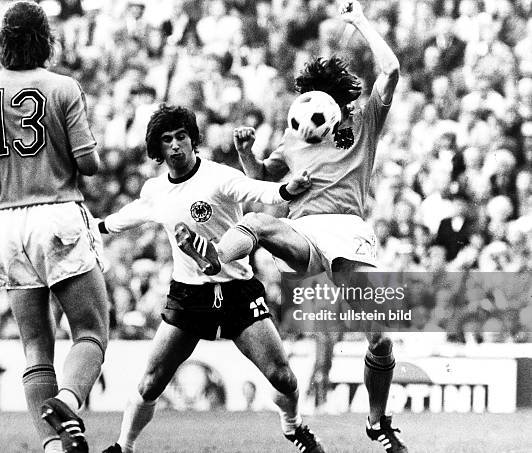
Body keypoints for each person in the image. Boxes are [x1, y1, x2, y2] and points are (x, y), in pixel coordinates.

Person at [177, 1, 408, 452]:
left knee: (379, 340)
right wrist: (247, 154)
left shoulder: (363, 120)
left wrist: (357, 21)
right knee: (258, 220)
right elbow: (262, 182)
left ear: (336, 105)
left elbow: (393, 70)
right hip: (305, 232)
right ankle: (214, 255)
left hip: (350, 231)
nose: (308, 116)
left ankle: (377, 422)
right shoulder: (291, 136)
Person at [99, 104, 325, 453]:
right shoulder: (156, 191)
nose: (175, 145)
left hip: (237, 291)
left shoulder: (219, 177)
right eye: (166, 140)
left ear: (193, 140)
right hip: (190, 296)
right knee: (151, 382)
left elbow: (257, 192)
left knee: (283, 377)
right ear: (157, 148)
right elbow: (128, 217)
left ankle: (293, 427)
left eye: (181, 137)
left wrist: (287, 190)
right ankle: (123, 446)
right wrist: (95, 227)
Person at [0, 3, 109, 453]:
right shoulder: (62, 87)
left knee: (36, 348)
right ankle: (67, 400)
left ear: (1, 41)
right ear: (46, 40)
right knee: (91, 331)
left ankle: (53, 448)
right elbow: (89, 164)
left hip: (5, 225)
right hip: (55, 213)